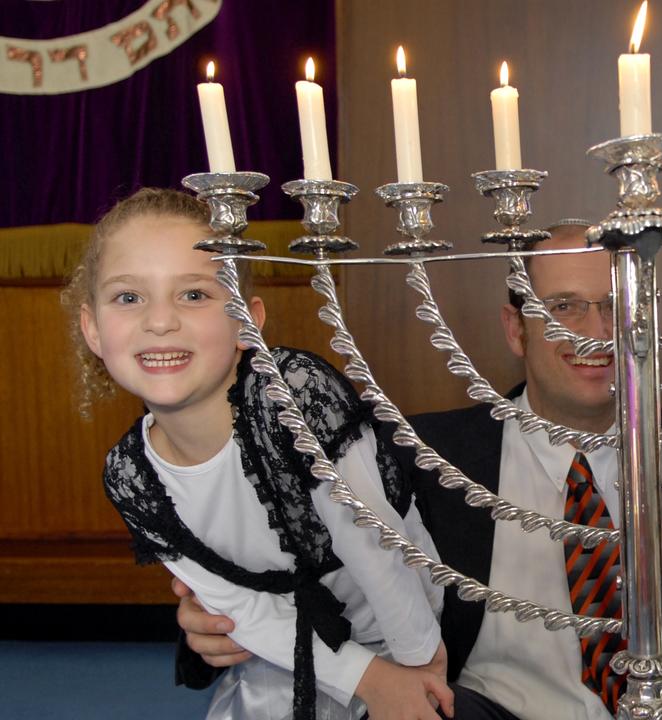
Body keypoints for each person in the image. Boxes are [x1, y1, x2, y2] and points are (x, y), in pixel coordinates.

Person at [177, 221, 662, 719]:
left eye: (613, 307)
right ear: (517, 329)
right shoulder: (423, 455)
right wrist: (208, 621)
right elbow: (309, 562)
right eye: (564, 307)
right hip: (490, 708)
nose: (591, 332)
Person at [69, 188, 455, 720]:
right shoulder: (130, 474)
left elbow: (374, 544)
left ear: (246, 322)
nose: (160, 322)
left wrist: (417, 668)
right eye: (129, 297)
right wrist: (364, 679)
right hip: (292, 659)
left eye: (194, 295)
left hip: (407, 629)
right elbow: (236, 608)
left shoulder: (291, 395)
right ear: (92, 327)